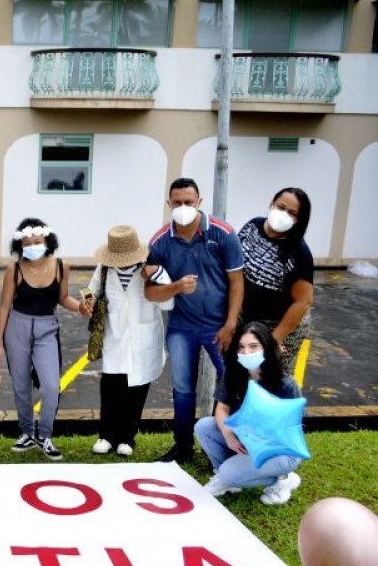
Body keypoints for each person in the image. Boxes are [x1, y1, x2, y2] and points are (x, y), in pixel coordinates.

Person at [145, 178, 244, 463]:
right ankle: (183, 447)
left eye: (189, 202)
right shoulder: (160, 240)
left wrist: (231, 324)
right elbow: (150, 292)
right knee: (183, 389)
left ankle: (222, 447)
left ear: (199, 202)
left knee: (230, 385)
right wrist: (176, 286)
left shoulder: (223, 233)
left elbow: (237, 281)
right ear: (168, 204)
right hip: (182, 327)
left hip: (219, 327)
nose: (183, 207)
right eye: (177, 203)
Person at [0, 218, 88, 460]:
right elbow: (4, 307)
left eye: (37, 241)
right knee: (20, 384)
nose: (32, 245)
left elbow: (64, 297)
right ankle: (26, 432)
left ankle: (45, 435)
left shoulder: (61, 266)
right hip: (17, 325)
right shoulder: (14, 269)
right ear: (19, 244)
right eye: (27, 242)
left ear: (47, 241)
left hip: (47, 326)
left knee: (51, 385)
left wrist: (81, 308)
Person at [195, 321, 305, 505]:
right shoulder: (234, 374)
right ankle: (229, 478)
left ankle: (282, 480)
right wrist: (228, 434)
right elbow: (222, 408)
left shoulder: (284, 384)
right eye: (241, 347)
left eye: (254, 347)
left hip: (279, 449)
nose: (247, 353)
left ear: (267, 348)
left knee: (229, 473)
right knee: (204, 427)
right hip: (245, 437)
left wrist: (254, 441)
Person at [85, 226, 167, 457]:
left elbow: (167, 300)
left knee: (137, 390)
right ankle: (106, 436)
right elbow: (89, 291)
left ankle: (127, 437)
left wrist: (159, 276)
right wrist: (87, 303)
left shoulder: (151, 270)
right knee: (111, 387)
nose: (120, 263)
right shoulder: (104, 269)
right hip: (114, 336)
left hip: (143, 337)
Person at [237, 188, 314, 374]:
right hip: (246, 319)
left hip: (278, 325)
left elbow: (304, 302)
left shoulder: (299, 253)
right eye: (281, 207)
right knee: (237, 376)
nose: (283, 214)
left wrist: (273, 340)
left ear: (298, 220)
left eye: (292, 213)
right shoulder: (252, 227)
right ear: (272, 203)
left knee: (268, 380)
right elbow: (236, 268)